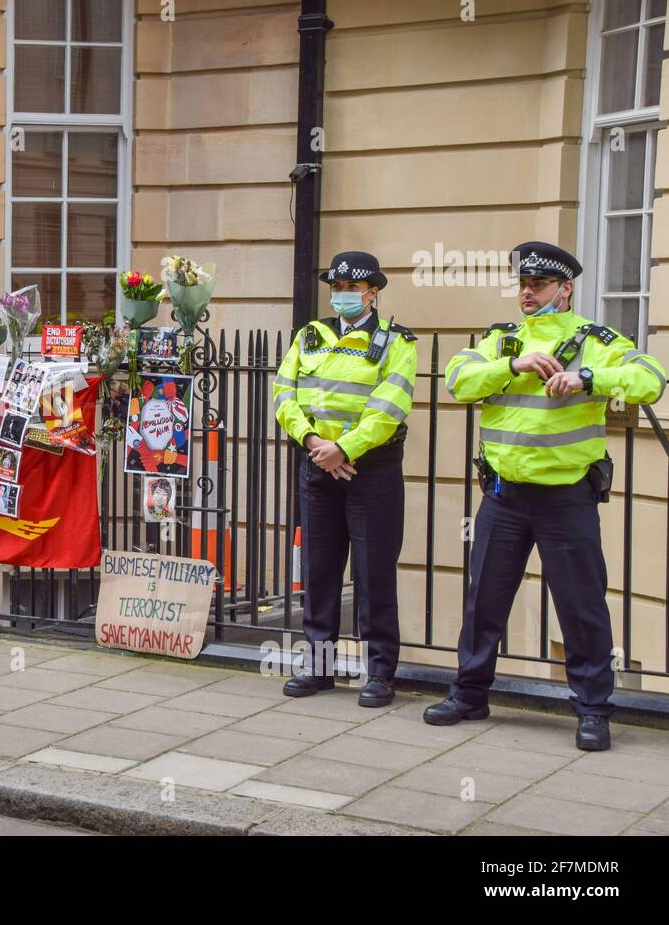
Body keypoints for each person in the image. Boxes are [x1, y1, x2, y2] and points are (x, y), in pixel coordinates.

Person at [425, 242, 666, 751]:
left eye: (537, 284)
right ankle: (469, 694)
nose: (527, 292)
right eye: (523, 284)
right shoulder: (500, 339)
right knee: (483, 602)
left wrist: (587, 377)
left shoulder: (594, 340)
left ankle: (593, 710)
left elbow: (650, 379)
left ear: (565, 288)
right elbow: (458, 380)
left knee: (581, 608)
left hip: (565, 500)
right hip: (502, 497)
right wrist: (511, 368)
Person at [273, 250, 418, 707]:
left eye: (351, 289)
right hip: (317, 463)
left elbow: (389, 407)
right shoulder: (309, 336)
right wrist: (315, 443)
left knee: (374, 573)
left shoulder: (397, 342)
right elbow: (283, 394)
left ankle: (379, 674)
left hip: (370, 470)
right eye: (336, 288)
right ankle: (318, 667)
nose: (342, 296)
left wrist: (346, 449)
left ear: (372, 293)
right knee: (319, 569)